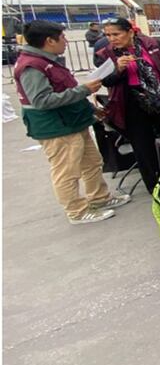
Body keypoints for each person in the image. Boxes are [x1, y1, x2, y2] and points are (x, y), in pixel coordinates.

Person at [13, 21, 130, 224]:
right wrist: (83, 90)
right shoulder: (32, 66)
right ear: (49, 41)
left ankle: (100, 198)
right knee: (67, 171)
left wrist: (91, 109)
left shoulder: (48, 60)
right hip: (57, 127)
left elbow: (62, 89)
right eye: (62, 38)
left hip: (74, 121)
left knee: (91, 162)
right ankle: (77, 211)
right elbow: (41, 100)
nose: (66, 41)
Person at [97, 17, 160, 191]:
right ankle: (156, 188)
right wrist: (118, 69)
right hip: (131, 104)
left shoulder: (151, 44)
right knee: (143, 147)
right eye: (108, 35)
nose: (112, 39)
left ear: (130, 32)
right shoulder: (105, 54)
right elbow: (106, 81)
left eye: (116, 34)